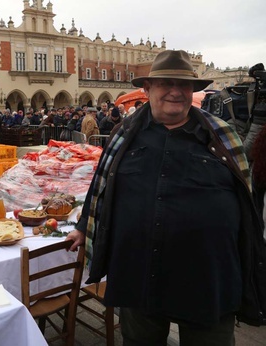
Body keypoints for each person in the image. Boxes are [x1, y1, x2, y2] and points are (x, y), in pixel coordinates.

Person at [66, 50, 266, 344]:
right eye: (166, 83)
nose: (176, 91)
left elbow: (246, 199)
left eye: (184, 85)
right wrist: (84, 225)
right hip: (139, 274)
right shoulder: (125, 134)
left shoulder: (222, 136)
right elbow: (102, 184)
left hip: (207, 279)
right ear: (147, 89)